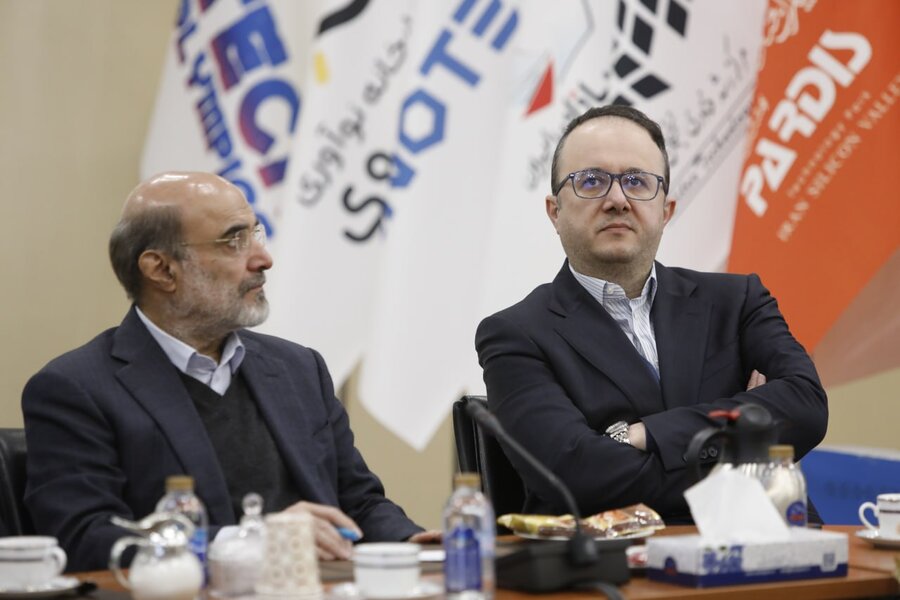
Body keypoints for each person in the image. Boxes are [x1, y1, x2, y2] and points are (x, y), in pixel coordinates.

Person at [23, 172, 437, 572]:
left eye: (255, 233)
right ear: (162, 269)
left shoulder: (299, 368)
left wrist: (414, 545)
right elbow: (86, 538)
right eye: (234, 241)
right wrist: (253, 542)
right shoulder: (76, 389)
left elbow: (359, 503)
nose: (264, 258)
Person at [475, 105, 828, 523]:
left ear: (666, 210)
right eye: (591, 181)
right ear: (555, 211)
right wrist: (744, 449)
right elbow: (579, 476)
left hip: (768, 542)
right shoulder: (515, 334)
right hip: (617, 559)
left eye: (637, 181)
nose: (617, 200)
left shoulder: (738, 301)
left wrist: (644, 434)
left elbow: (807, 406)